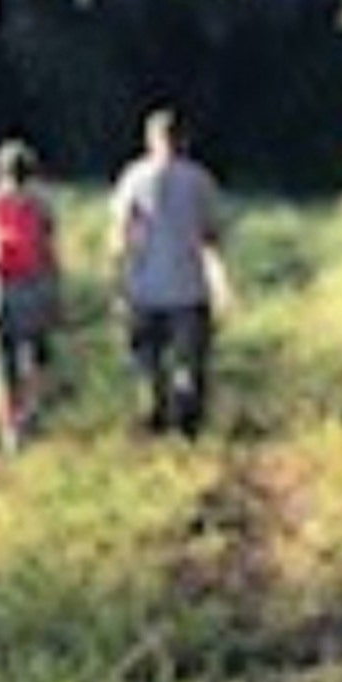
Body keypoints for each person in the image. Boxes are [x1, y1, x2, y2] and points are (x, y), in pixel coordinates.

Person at [110, 109, 231, 438]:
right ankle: (186, 419)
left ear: (151, 140)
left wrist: (119, 280)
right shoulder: (200, 180)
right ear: (183, 140)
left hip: (144, 286)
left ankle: (155, 412)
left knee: (147, 360)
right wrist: (222, 284)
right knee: (190, 360)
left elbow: (121, 234)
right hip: (189, 286)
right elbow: (212, 236)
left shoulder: (134, 178)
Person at [0, 139, 62, 455]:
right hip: (32, 291)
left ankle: (10, 431)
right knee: (34, 360)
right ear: (31, 172)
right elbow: (49, 256)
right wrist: (56, 295)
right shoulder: (42, 207)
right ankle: (29, 415)